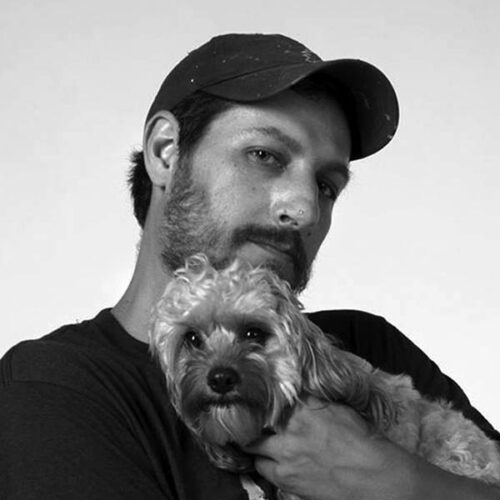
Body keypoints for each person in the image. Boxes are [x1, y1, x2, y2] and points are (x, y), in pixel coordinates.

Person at [1, 33, 498, 500]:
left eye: (326, 185)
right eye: (264, 155)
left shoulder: (370, 349)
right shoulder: (52, 392)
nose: (304, 208)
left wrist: (393, 480)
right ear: (165, 153)